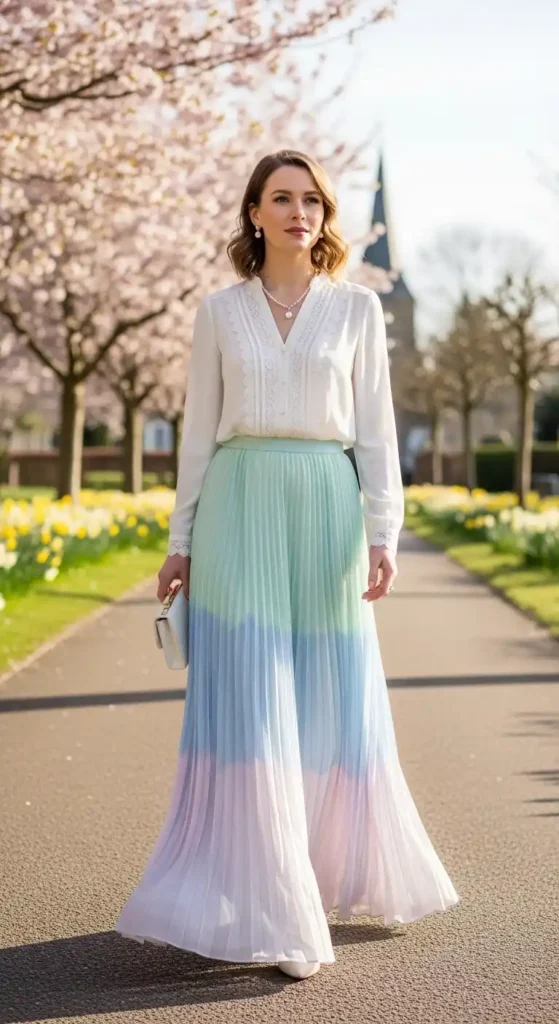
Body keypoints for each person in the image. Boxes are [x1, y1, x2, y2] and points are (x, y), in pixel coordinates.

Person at [114, 149, 460, 981]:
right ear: (255, 213)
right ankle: (265, 900)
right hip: (237, 505)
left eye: (312, 199)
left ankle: (311, 871)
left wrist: (385, 530)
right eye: (281, 197)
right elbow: (198, 436)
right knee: (248, 701)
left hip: (325, 509)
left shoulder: (357, 311)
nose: (298, 210)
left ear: (324, 215)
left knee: (323, 698)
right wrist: (180, 539)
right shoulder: (217, 312)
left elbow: (375, 432)